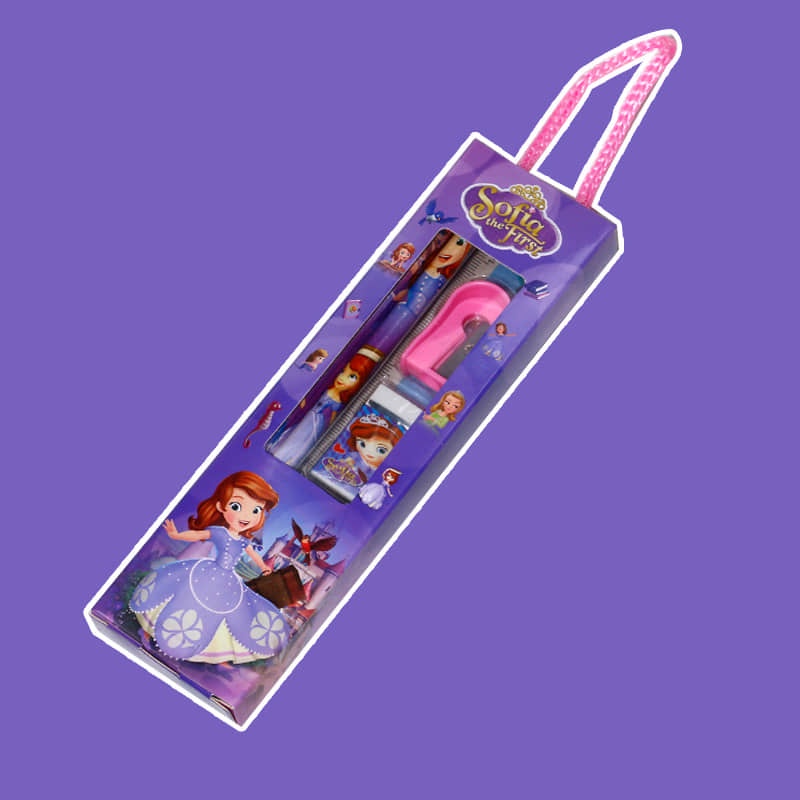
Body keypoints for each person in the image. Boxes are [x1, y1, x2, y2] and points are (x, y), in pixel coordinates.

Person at [129, 471, 289, 664]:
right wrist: (177, 535)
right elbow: (198, 535)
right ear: (221, 506)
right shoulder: (218, 532)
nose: (247, 516)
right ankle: (149, 633)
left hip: (228, 582)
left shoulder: (243, 541)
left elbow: (254, 556)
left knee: (223, 615)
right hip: (206, 572)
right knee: (182, 598)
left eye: (256, 510)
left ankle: (196, 651)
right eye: (236, 506)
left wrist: (264, 567)